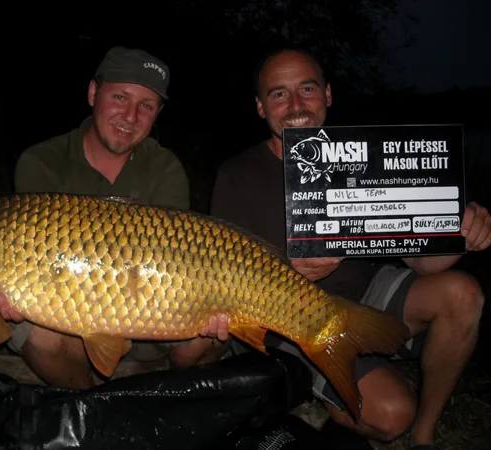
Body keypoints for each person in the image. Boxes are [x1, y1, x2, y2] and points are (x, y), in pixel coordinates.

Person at [209, 48, 490, 449]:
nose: (296, 106)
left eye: (307, 89)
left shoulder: (363, 154)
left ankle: (425, 435)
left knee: (463, 294)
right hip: (288, 319)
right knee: (392, 415)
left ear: (327, 94)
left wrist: (461, 232)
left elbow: (425, 262)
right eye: (279, 94)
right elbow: (223, 282)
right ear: (260, 106)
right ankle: (320, 391)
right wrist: (291, 272)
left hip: (366, 293)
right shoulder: (237, 175)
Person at [0, 46, 229, 389]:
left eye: (146, 106)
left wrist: (207, 308)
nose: (130, 116)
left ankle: (169, 395)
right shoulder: (42, 162)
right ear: (92, 93)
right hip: (71, 316)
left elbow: (177, 263)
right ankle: (88, 401)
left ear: (157, 113)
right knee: (34, 333)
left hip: (152, 315)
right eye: (120, 97)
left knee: (208, 337)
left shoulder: (165, 169)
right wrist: (11, 297)